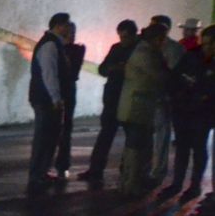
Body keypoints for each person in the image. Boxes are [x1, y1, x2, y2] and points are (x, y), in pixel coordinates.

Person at [158, 24, 214, 203]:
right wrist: (178, 95)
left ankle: (194, 185)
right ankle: (177, 183)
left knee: (198, 148)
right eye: (205, 44)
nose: (207, 48)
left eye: (210, 44)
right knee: (182, 148)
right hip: (183, 109)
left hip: (203, 113)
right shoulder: (191, 56)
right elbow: (175, 78)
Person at [78, 20, 138, 185]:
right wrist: (116, 68)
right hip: (113, 98)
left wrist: (116, 68)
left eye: (125, 37)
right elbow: (102, 69)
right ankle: (96, 169)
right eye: (120, 37)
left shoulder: (138, 50)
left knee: (130, 136)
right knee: (106, 134)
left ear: (133, 35)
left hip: (128, 97)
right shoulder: (117, 48)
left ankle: (127, 170)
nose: (122, 40)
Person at [118, 23, 170, 197]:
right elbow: (160, 76)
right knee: (135, 148)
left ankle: (131, 183)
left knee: (137, 147)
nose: (164, 42)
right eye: (162, 39)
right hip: (135, 108)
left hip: (138, 107)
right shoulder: (145, 53)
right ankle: (130, 185)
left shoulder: (146, 51)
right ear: (156, 38)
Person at [27, 12, 73, 195]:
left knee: (49, 138)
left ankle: (41, 172)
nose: (69, 28)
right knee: (44, 138)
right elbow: (49, 74)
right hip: (46, 100)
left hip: (44, 98)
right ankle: (37, 174)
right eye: (66, 25)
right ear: (58, 25)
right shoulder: (50, 46)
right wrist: (56, 98)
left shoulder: (53, 44)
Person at [149, 14, 182, 184]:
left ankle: (158, 172)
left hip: (163, 98)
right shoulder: (149, 47)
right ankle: (150, 169)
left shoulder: (173, 49)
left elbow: (171, 75)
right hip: (150, 98)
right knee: (151, 136)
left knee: (161, 137)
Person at [55, 22, 86, 179]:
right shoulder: (58, 48)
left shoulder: (76, 49)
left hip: (67, 90)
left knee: (66, 128)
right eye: (69, 32)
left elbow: (72, 71)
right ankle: (58, 164)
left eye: (73, 32)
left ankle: (62, 164)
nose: (72, 35)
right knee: (56, 129)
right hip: (61, 88)